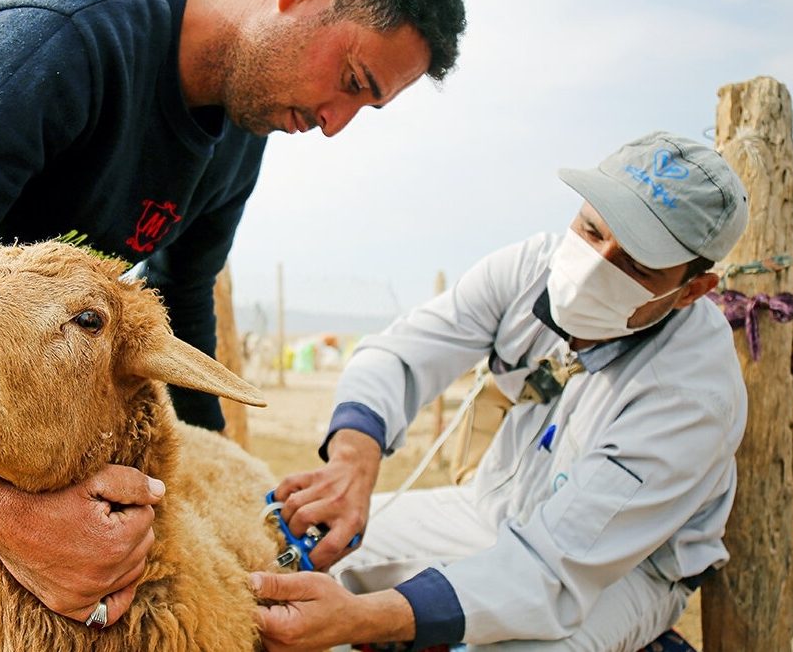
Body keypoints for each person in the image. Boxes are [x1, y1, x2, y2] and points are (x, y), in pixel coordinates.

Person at [0, 0, 465, 644]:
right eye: (350, 81)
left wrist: (228, 489)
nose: (335, 124)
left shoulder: (241, 134)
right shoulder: (65, 30)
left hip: (13, 404)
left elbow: (181, 300)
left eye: (366, 108)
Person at [256, 131, 750, 651]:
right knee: (283, 559)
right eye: (590, 228)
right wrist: (352, 463)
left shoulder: (692, 395)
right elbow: (399, 354)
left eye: (637, 266)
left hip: (616, 570)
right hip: (488, 510)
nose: (596, 265)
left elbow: (552, 568)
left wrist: (362, 619)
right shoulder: (531, 269)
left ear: (691, 291)